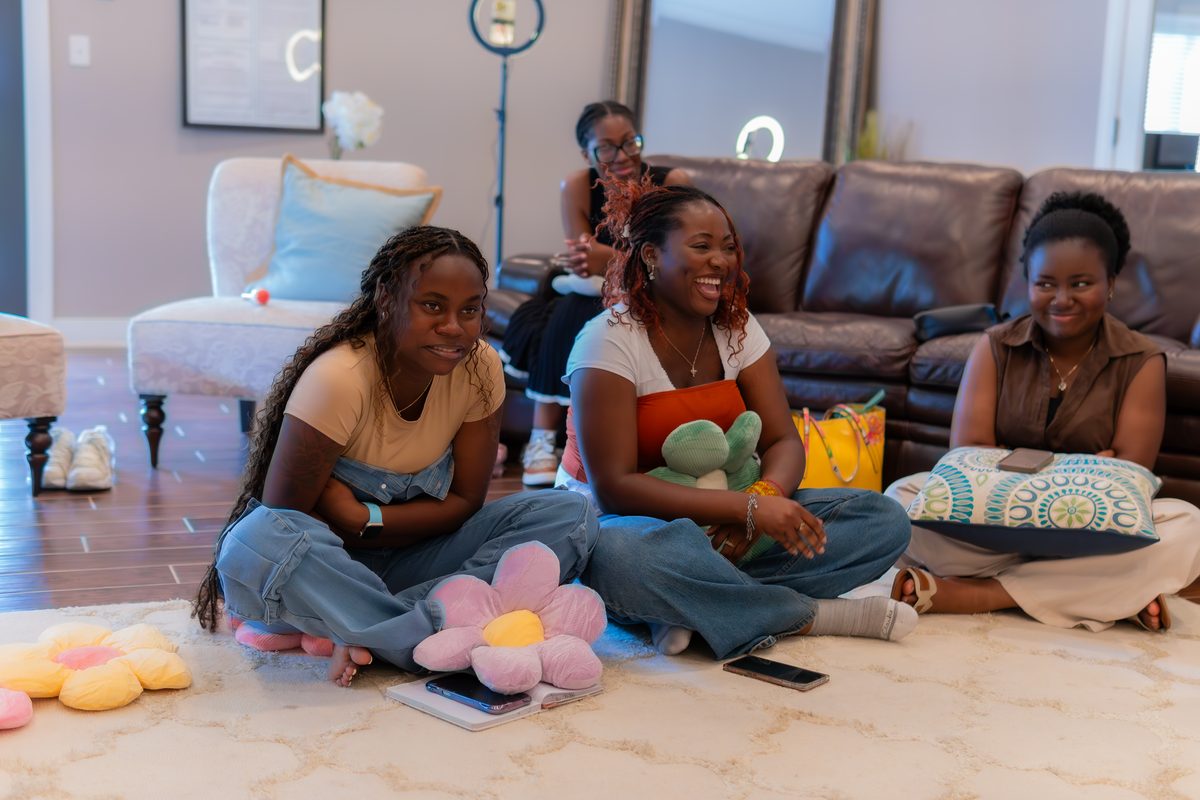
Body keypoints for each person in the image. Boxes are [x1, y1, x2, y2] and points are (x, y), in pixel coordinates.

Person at [193, 226, 598, 685]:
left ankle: (371, 631)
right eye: (433, 306)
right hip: (328, 579)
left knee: (570, 514)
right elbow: (285, 523)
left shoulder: (480, 367)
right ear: (387, 300)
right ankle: (436, 631)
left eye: (470, 310)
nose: (454, 327)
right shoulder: (340, 377)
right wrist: (350, 535)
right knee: (257, 537)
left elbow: (465, 503)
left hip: (414, 563)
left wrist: (364, 517)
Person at [561, 178, 917, 659]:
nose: (720, 261)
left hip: (733, 519)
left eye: (728, 248)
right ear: (650, 256)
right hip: (630, 523)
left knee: (882, 520)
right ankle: (807, 614)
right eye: (702, 246)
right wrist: (744, 510)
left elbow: (783, 441)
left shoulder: (738, 327)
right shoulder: (607, 340)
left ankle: (687, 603)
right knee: (618, 559)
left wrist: (764, 498)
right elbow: (614, 488)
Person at [887, 192, 1200, 631]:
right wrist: (1083, 468)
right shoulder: (995, 347)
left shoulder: (1141, 360)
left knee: (1188, 526)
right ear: (1028, 283)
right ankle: (1103, 593)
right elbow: (967, 455)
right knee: (899, 502)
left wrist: (1010, 460)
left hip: (1093, 534)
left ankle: (983, 593)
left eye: (1081, 284)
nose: (1061, 299)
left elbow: (1130, 473)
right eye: (1046, 283)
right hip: (990, 525)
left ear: (1110, 283)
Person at [501, 101, 689, 487]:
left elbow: (679, 257)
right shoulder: (577, 186)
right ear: (586, 153)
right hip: (593, 289)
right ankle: (546, 442)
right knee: (569, 306)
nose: (622, 156)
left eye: (630, 143)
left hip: (656, 289)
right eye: (606, 148)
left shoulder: (672, 182)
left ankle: (547, 436)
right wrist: (610, 260)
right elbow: (585, 258)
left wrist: (611, 258)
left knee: (578, 306)